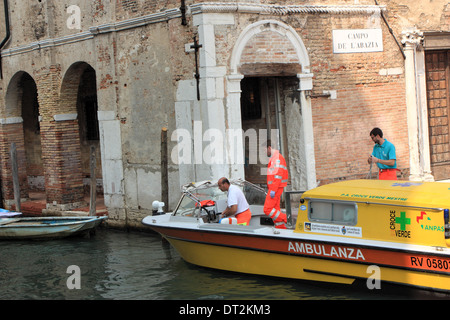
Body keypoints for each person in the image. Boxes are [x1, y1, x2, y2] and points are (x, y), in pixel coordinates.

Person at [263, 140, 288, 229]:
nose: (264, 152)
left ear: (269, 148)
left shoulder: (276, 158)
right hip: (275, 188)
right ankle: (281, 228)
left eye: (265, 150)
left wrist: (272, 190)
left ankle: (287, 218)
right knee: (276, 210)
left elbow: (278, 176)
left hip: (275, 189)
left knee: (267, 209)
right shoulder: (275, 158)